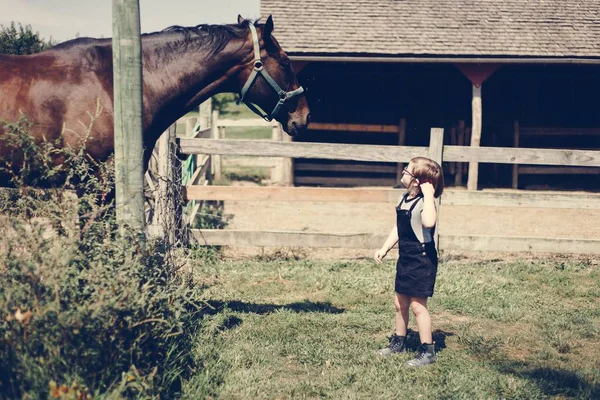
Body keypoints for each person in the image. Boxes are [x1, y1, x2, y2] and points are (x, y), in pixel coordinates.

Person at [374, 156, 444, 367]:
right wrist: (385, 248)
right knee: (400, 303)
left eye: (407, 169)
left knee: (418, 306)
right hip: (405, 256)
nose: (403, 171)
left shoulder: (426, 203)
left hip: (422, 258)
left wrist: (430, 195)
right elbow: (399, 227)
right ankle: (399, 342)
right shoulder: (403, 199)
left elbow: (429, 222)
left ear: (416, 180)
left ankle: (428, 351)